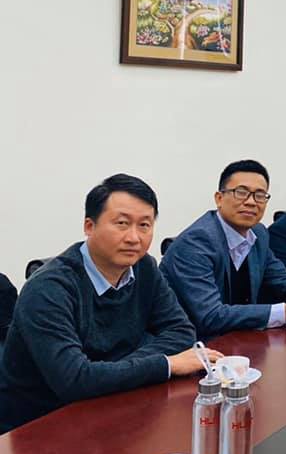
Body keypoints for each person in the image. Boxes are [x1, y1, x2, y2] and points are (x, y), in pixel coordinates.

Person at [0, 174, 217, 434]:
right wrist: (166, 365)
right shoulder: (48, 289)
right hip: (41, 427)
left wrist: (112, 372)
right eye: (122, 223)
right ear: (89, 226)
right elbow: (75, 381)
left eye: (144, 225)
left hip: (116, 404)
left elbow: (181, 331)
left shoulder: (144, 267)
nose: (134, 237)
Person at [161, 160, 286, 339]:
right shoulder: (196, 243)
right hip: (196, 347)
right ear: (219, 198)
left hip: (243, 339)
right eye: (241, 192)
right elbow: (210, 316)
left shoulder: (258, 233)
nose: (250, 202)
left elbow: (284, 280)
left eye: (259, 195)